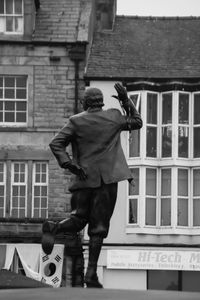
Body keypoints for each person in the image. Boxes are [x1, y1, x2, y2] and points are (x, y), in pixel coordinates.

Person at [42, 83, 143, 288]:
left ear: (84, 103)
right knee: (98, 229)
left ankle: (54, 227)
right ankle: (91, 274)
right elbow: (137, 121)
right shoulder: (114, 116)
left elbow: (56, 143)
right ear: (102, 102)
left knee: (78, 219)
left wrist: (69, 164)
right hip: (106, 180)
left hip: (83, 178)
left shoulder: (76, 121)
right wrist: (125, 99)